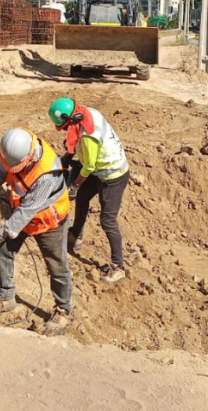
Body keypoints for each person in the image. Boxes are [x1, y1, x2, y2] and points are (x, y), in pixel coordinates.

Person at [0, 128, 73, 335]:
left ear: (28, 158)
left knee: (56, 266)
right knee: (3, 251)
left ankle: (62, 310)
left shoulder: (46, 174)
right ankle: (6, 297)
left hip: (48, 221)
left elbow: (28, 210)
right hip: (24, 215)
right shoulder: (16, 149)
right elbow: (2, 171)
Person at [47, 97, 129, 286]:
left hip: (112, 175)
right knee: (83, 198)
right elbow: (79, 143)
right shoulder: (87, 113)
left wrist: (74, 186)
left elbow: (89, 166)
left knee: (107, 220)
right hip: (98, 170)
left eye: (65, 127)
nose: (66, 130)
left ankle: (118, 267)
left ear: (69, 120)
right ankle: (75, 235)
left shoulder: (88, 136)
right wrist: (68, 156)